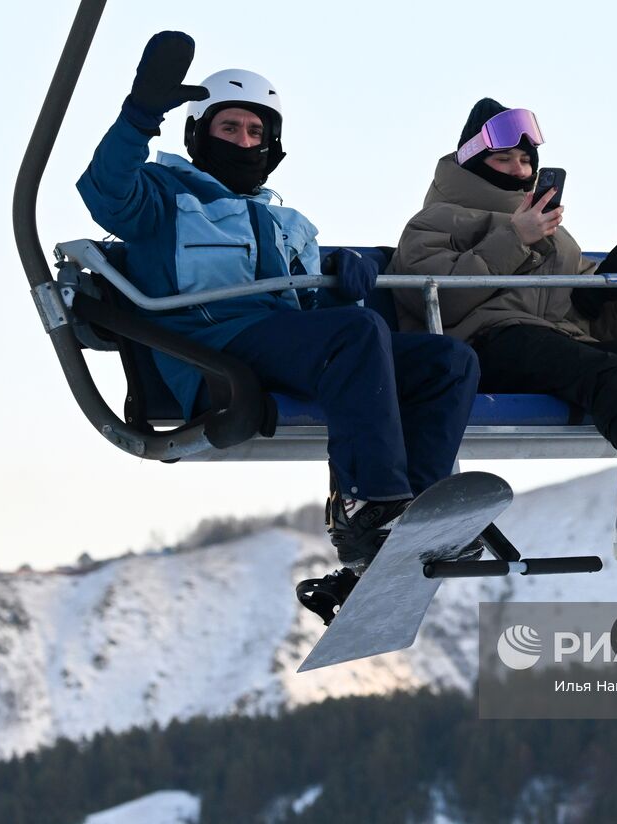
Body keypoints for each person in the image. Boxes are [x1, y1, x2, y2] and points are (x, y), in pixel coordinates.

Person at [76, 32, 480, 571]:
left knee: (448, 361)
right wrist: (139, 116)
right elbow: (105, 190)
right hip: (213, 350)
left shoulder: (289, 223)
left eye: (255, 131)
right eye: (229, 127)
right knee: (356, 334)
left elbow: (315, 320)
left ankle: (422, 512)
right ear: (199, 134)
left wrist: (338, 281)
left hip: (285, 348)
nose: (244, 141)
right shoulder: (163, 196)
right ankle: (367, 504)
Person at [387, 98, 617, 566]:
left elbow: (592, 328)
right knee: (607, 372)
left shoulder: (557, 236)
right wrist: (515, 238)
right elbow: (437, 297)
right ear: (472, 163)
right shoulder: (435, 221)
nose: (517, 169)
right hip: (484, 348)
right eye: (502, 158)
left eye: (524, 160)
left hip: (552, 349)